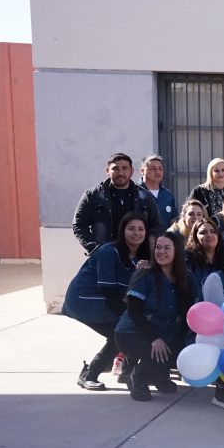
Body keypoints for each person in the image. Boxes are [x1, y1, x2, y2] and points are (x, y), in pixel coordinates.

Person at [64, 213, 150, 391]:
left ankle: (124, 371)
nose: (136, 233)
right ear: (122, 230)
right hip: (85, 300)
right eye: (131, 228)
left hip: (105, 300)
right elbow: (109, 291)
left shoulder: (138, 256)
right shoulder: (109, 252)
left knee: (125, 331)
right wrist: (128, 316)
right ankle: (90, 375)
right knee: (122, 333)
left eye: (141, 229)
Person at [114, 231, 195, 401]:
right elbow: (134, 312)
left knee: (177, 348)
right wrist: (154, 338)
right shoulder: (145, 274)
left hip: (164, 332)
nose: (161, 252)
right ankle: (137, 377)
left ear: (177, 252)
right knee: (157, 351)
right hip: (132, 333)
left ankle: (159, 376)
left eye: (167, 248)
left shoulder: (186, 277)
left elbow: (188, 310)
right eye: (158, 247)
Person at [72, 152, 162, 254]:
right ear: (107, 171)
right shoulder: (92, 195)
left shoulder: (145, 196)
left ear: (131, 171)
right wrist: (94, 247)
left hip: (136, 257)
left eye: (124, 168)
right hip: (104, 257)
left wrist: (147, 250)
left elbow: (156, 226)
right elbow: (79, 225)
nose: (120, 173)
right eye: (115, 168)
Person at [138, 154, 176, 228]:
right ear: (142, 171)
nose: (157, 172)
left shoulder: (167, 195)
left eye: (160, 168)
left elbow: (173, 222)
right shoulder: (134, 192)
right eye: (153, 169)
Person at [189, 157, 224, 221]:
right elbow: (188, 211)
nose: (220, 173)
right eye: (216, 171)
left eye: (223, 170)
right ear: (210, 173)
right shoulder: (199, 191)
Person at [185, 218, 224, 286]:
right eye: (203, 232)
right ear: (195, 237)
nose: (209, 235)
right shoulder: (188, 259)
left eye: (213, 231)